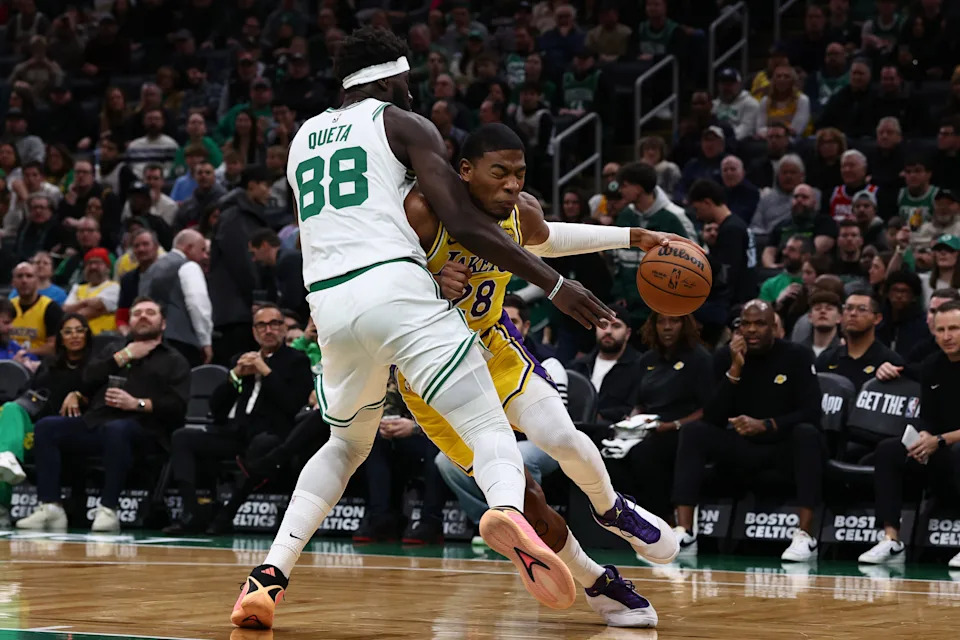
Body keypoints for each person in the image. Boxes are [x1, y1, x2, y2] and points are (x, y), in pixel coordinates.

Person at [232, 27, 625, 629]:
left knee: (344, 445)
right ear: (389, 80)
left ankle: (269, 576)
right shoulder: (404, 124)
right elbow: (464, 222)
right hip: (396, 289)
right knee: (486, 419)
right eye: (406, 83)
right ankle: (502, 512)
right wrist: (553, 283)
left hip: (329, 304)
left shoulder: (302, 137)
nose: (411, 94)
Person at [400, 126, 694, 613]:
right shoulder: (421, 211)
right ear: (465, 172)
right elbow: (376, 274)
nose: (513, 184)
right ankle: (597, 582)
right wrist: (424, 276)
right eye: (500, 173)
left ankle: (612, 510)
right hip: (428, 370)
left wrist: (635, 236)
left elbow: (550, 239)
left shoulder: (521, 210)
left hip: (493, 346)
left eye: (519, 173)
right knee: (527, 501)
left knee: (559, 436)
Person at [17, 297, 190, 532]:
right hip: (99, 422)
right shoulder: (114, 349)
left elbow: (178, 406)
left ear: (163, 323)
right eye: (137, 312)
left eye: (150, 312)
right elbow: (87, 378)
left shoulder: (174, 359)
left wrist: (137, 404)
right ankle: (51, 507)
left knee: (116, 429)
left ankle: (108, 509)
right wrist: (122, 357)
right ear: (129, 321)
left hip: (145, 430)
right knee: (48, 427)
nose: (143, 316)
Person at [672, 300, 824, 562]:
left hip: (781, 446)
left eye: (760, 324)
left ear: (774, 327)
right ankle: (685, 533)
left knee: (808, 435)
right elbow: (713, 417)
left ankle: (805, 536)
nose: (752, 330)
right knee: (695, 432)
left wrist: (767, 424)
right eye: (746, 324)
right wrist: (735, 369)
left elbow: (811, 412)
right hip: (740, 445)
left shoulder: (797, 355)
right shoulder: (724, 357)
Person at [165, 304, 312, 533]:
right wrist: (235, 376)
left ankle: (226, 514)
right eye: (262, 325)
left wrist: (266, 371)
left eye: (274, 324)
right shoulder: (241, 359)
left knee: (262, 445)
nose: (268, 330)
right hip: (237, 433)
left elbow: (292, 405)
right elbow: (217, 408)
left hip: (273, 435)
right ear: (254, 332)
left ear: (284, 329)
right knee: (182, 437)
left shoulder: (297, 361)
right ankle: (192, 511)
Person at [857, 301, 960, 569]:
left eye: (954, 328)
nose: (947, 336)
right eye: (941, 330)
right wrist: (924, 435)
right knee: (889, 449)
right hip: (940, 452)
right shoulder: (932, 365)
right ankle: (891, 540)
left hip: (953, 448)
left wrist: (939, 440)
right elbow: (929, 415)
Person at [606, 312, 713, 522]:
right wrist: (634, 421)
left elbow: (708, 410)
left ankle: (661, 519)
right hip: (648, 428)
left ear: (685, 325)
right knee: (608, 451)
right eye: (661, 321)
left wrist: (672, 425)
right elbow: (639, 403)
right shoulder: (647, 359)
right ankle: (624, 520)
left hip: (683, 430)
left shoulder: (700, 359)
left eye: (673, 321)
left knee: (644, 454)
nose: (667, 327)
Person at [0, 314, 94, 526]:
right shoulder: (49, 366)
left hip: (73, 430)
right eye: (68, 331)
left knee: (7, 447)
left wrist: (79, 395)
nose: (74, 336)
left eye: (79, 330)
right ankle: (7, 459)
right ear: (60, 337)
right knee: (11, 410)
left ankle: (1, 508)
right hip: (37, 428)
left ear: (88, 334)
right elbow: (28, 395)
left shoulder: (96, 366)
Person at [687, 180, 755, 342]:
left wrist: (697, 255)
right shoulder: (736, 225)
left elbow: (727, 275)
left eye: (698, 209)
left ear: (707, 202)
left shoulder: (731, 230)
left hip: (734, 303)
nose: (697, 215)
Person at [140, 229, 213, 368]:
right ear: (189, 248)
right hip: (181, 343)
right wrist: (205, 341)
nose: (205, 256)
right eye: (202, 250)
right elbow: (197, 304)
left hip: (148, 341)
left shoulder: (151, 268)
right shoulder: (188, 265)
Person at [816, 291, 903, 391]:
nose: (853, 313)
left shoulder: (889, 361)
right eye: (848, 308)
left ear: (877, 319)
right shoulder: (827, 358)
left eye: (862, 309)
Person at [248, 228, 306, 321]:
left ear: (264, 245)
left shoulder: (288, 261)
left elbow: (293, 300)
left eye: (253, 253)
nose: (254, 259)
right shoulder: (275, 267)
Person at [9, 261, 62, 360]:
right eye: (19, 276)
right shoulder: (8, 306)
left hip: (40, 365)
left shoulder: (51, 308)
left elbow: (54, 346)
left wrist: (24, 353)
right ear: (13, 282)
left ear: (37, 281)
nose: (24, 280)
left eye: (29, 276)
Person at [62, 248, 120, 335]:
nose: (93, 267)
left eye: (98, 263)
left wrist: (78, 305)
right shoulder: (77, 288)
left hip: (104, 338)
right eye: (89, 263)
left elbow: (85, 313)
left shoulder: (114, 287)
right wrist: (86, 302)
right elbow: (65, 309)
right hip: (78, 338)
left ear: (108, 268)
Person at [115, 230, 160, 335]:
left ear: (156, 247)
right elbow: (122, 315)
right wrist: (126, 333)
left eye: (145, 244)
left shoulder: (169, 274)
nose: (141, 249)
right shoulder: (128, 279)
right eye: (136, 246)